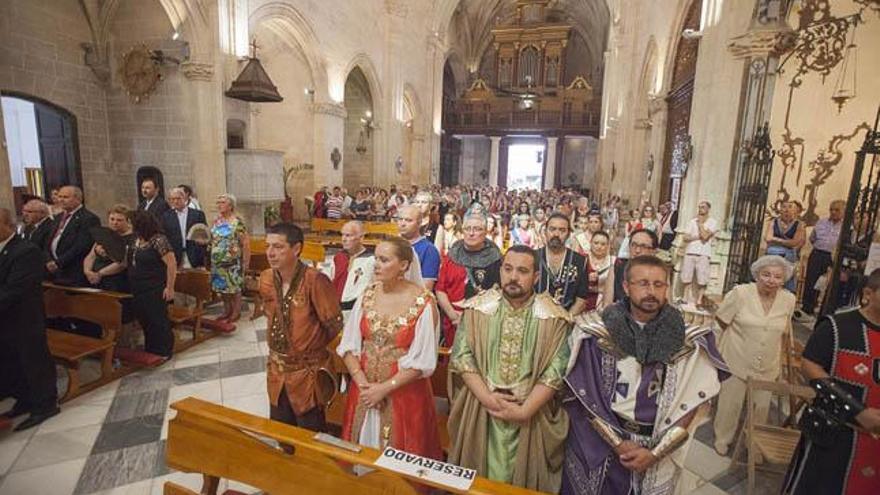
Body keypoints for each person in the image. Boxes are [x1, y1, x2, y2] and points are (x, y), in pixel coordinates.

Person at [562, 255, 729, 495]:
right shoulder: (594, 332)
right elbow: (583, 394)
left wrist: (656, 452)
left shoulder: (690, 340)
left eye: (658, 284)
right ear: (626, 287)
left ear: (667, 288)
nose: (651, 291)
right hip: (602, 439)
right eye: (642, 283)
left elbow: (694, 401)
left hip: (659, 443)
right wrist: (619, 444)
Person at [447, 245, 572, 492]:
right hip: (481, 412)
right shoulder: (477, 309)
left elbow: (556, 371)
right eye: (508, 269)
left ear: (536, 277)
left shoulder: (554, 318)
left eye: (523, 271)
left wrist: (525, 411)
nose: (513, 277)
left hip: (531, 416)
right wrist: (487, 398)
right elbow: (462, 357)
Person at [337, 237, 442, 460]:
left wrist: (383, 389)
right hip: (363, 391)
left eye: (384, 260)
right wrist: (363, 384)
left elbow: (423, 361)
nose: (376, 265)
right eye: (376, 258)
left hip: (404, 396)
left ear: (403, 265)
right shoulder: (367, 294)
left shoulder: (423, 302)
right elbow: (348, 345)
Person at [782, 268, 880, 495]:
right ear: (868, 293)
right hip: (835, 435)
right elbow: (810, 367)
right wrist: (857, 411)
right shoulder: (836, 327)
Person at [260, 223, 343, 434]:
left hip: (306, 374)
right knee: (281, 430)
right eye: (268, 246)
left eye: (278, 247)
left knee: (310, 434)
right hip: (277, 372)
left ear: (296, 249)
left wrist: (310, 347)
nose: (270, 253)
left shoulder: (315, 280)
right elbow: (270, 313)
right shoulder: (267, 278)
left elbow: (333, 325)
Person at [712, 255, 796, 456]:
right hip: (736, 358)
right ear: (757, 275)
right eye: (766, 275)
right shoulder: (740, 294)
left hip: (768, 364)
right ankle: (722, 439)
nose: (771, 280)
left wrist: (783, 369)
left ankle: (753, 443)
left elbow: (784, 333)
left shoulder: (789, 300)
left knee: (760, 409)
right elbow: (720, 323)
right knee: (730, 405)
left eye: (777, 276)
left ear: (783, 280)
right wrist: (714, 355)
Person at [0, 208, 59, 431]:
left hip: (24, 319)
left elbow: (15, 290)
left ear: (7, 225)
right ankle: (24, 399)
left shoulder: (26, 251)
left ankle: (46, 405)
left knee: (34, 362)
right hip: (5, 322)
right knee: (13, 363)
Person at [436, 213, 502, 347]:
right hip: (453, 322)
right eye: (467, 229)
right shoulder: (451, 257)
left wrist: (474, 319)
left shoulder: (495, 259)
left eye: (477, 229)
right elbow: (440, 290)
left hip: (483, 324)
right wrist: (454, 316)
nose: (471, 233)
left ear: (485, 232)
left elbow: (499, 292)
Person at [128, 211, 177, 359]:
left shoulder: (159, 240)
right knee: (145, 319)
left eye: (131, 223)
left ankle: (164, 351)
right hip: (138, 287)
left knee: (157, 320)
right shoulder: (136, 239)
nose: (129, 225)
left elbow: (171, 264)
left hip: (155, 287)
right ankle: (151, 349)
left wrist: (170, 287)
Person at [46, 185, 101, 286]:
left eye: (65, 197)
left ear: (78, 199)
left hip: (74, 271)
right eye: (60, 196)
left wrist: (59, 262)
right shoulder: (58, 218)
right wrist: (49, 260)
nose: (61, 200)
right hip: (57, 272)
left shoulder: (88, 218)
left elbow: (81, 246)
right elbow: (49, 241)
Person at [536, 212, 590, 315]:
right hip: (536, 319)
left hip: (568, 318)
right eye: (552, 229)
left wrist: (566, 319)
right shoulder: (533, 258)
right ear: (545, 232)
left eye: (562, 230)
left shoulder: (580, 261)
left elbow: (581, 299)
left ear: (569, 234)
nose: (556, 234)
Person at [799, 200, 844, 318]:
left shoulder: (846, 226)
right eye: (831, 209)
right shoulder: (821, 222)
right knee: (811, 280)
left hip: (833, 256)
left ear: (843, 211)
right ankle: (807, 307)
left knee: (827, 283)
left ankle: (825, 310)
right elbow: (813, 238)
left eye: (837, 210)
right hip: (818, 253)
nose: (833, 212)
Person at [210, 193, 250, 322]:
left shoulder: (237, 222)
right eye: (218, 202)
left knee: (234, 288)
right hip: (217, 261)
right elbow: (213, 239)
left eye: (223, 202)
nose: (219, 205)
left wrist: (246, 263)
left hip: (233, 262)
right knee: (222, 287)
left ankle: (236, 312)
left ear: (231, 205)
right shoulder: (217, 221)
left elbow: (245, 243)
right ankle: (226, 310)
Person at [83, 204, 136, 293]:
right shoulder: (105, 235)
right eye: (112, 219)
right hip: (95, 280)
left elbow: (122, 263)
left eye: (119, 220)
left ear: (128, 221)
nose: (115, 223)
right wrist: (87, 271)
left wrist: (99, 274)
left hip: (117, 281)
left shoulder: (132, 238)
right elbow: (90, 256)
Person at [329, 221, 374, 318]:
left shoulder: (371, 260)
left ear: (361, 238)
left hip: (357, 310)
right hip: (336, 308)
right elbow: (332, 280)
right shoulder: (338, 257)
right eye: (342, 235)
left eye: (348, 235)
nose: (344, 239)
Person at [680, 201, 718, 307]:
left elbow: (705, 236)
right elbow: (685, 237)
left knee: (702, 278)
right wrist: (697, 237)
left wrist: (700, 224)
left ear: (708, 209)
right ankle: (685, 298)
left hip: (704, 253)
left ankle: (699, 301)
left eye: (703, 207)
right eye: (700, 207)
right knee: (686, 276)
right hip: (690, 251)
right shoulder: (692, 221)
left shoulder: (712, 222)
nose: (701, 209)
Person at [162, 187, 208, 269]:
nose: (175, 201)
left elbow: (204, 235)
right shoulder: (166, 216)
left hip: (194, 255)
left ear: (185, 198)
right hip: (175, 256)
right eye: (172, 199)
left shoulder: (197, 215)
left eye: (178, 198)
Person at [765, 200, 805, 292]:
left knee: (786, 282)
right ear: (780, 209)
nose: (787, 209)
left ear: (795, 210)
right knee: (770, 280)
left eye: (790, 207)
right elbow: (767, 238)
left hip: (788, 257)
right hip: (772, 256)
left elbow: (794, 242)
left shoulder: (799, 225)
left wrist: (776, 239)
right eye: (784, 207)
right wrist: (787, 242)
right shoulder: (773, 222)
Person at [397, 205, 440, 290]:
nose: (402, 224)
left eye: (408, 220)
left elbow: (425, 289)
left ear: (419, 223)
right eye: (400, 219)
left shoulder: (429, 250)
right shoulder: (391, 245)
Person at [612, 228, 658, 302]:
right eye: (634, 245)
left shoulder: (660, 273)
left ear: (654, 251)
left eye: (643, 246)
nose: (637, 250)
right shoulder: (619, 267)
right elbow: (607, 303)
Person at [585, 231, 615, 311]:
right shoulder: (581, 259)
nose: (599, 247)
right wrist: (585, 278)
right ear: (590, 243)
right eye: (596, 243)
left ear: (608, 246)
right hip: (582, 303)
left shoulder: (614, 261)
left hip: (604, 304)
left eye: (603, 244)